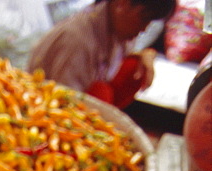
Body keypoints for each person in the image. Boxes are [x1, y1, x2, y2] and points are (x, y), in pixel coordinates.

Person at [27, 0, 176, 108]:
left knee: (135, 67)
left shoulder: (117, 27)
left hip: (79, 96)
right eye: (144, 18)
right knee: (101, 93)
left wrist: (145, 54)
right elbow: (64, 100)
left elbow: (120, 59)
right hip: (44, 104)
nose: (144, 29)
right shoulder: (78, 40)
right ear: (122, 3)